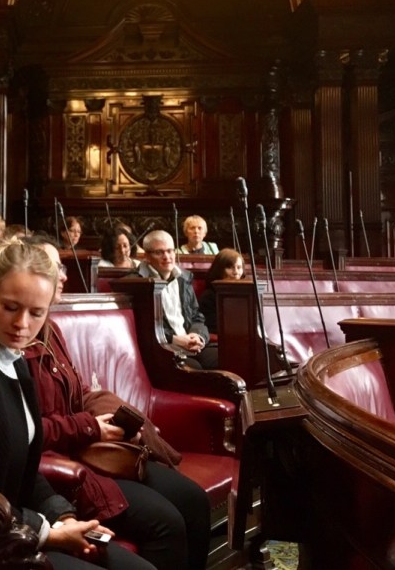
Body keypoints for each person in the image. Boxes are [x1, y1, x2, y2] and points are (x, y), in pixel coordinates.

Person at [0, 242, 151, 570]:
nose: (22, 323)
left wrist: (62, 516)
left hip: (12, 526)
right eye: (10, 307)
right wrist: (48, 534)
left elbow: (25, 468)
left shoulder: (14, 360)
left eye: (36, 313)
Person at [24, 237, 210, 570]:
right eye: (53, 268)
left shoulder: (49, 329)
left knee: (193, 499)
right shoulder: (12, 345)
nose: (63, 275)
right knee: (166, 522)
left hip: (88, 449)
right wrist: (90, 427)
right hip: (65, 466)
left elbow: (78, 392)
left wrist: (116, 422)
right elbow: (26, 432)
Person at [137, 231, 218, 370]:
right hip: (163, 348)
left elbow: (196, 316)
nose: (167, 257)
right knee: (194, 369)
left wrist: (197, 336)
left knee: (229, 358)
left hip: (190, 344)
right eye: (159, 252)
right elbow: (142, 326)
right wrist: (175, 339)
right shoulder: (138, 282)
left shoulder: (184, 279)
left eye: (170, 251)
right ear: (147, 257)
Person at [197, 248, 245, 334]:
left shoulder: (247, 293)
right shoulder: (208, 297)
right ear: (219, 270)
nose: (236, 272)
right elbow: (211, 326)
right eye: (230, 267)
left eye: (239, 267)